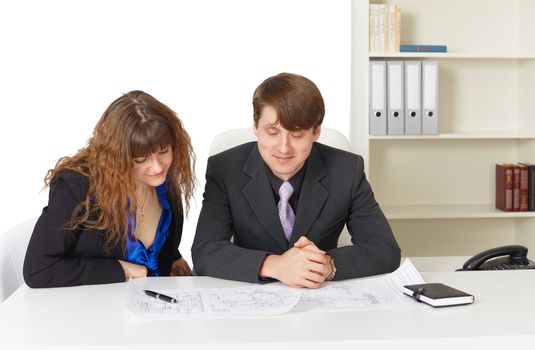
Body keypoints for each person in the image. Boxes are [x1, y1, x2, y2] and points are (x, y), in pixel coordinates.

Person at [192, 72, 401, 288]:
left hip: (319, 298)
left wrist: (326, 264)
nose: (283, 148)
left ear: (316, 131)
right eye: (272, 132)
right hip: (252, 299)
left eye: (297, 134)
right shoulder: (225, 169)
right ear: (255, 127)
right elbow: (205, 250)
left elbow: (385, 249)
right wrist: (274, 265)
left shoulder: (347, 170)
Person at [23, 90, 195, 288]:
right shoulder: (76, 187)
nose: (157, 167)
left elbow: (158, 244)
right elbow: (38, 269)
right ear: (117, 158)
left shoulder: (166, 185)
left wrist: (173, 257)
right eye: (141, 159)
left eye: (163, 151)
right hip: (91, 310)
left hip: (155, 306)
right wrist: (122, 271)